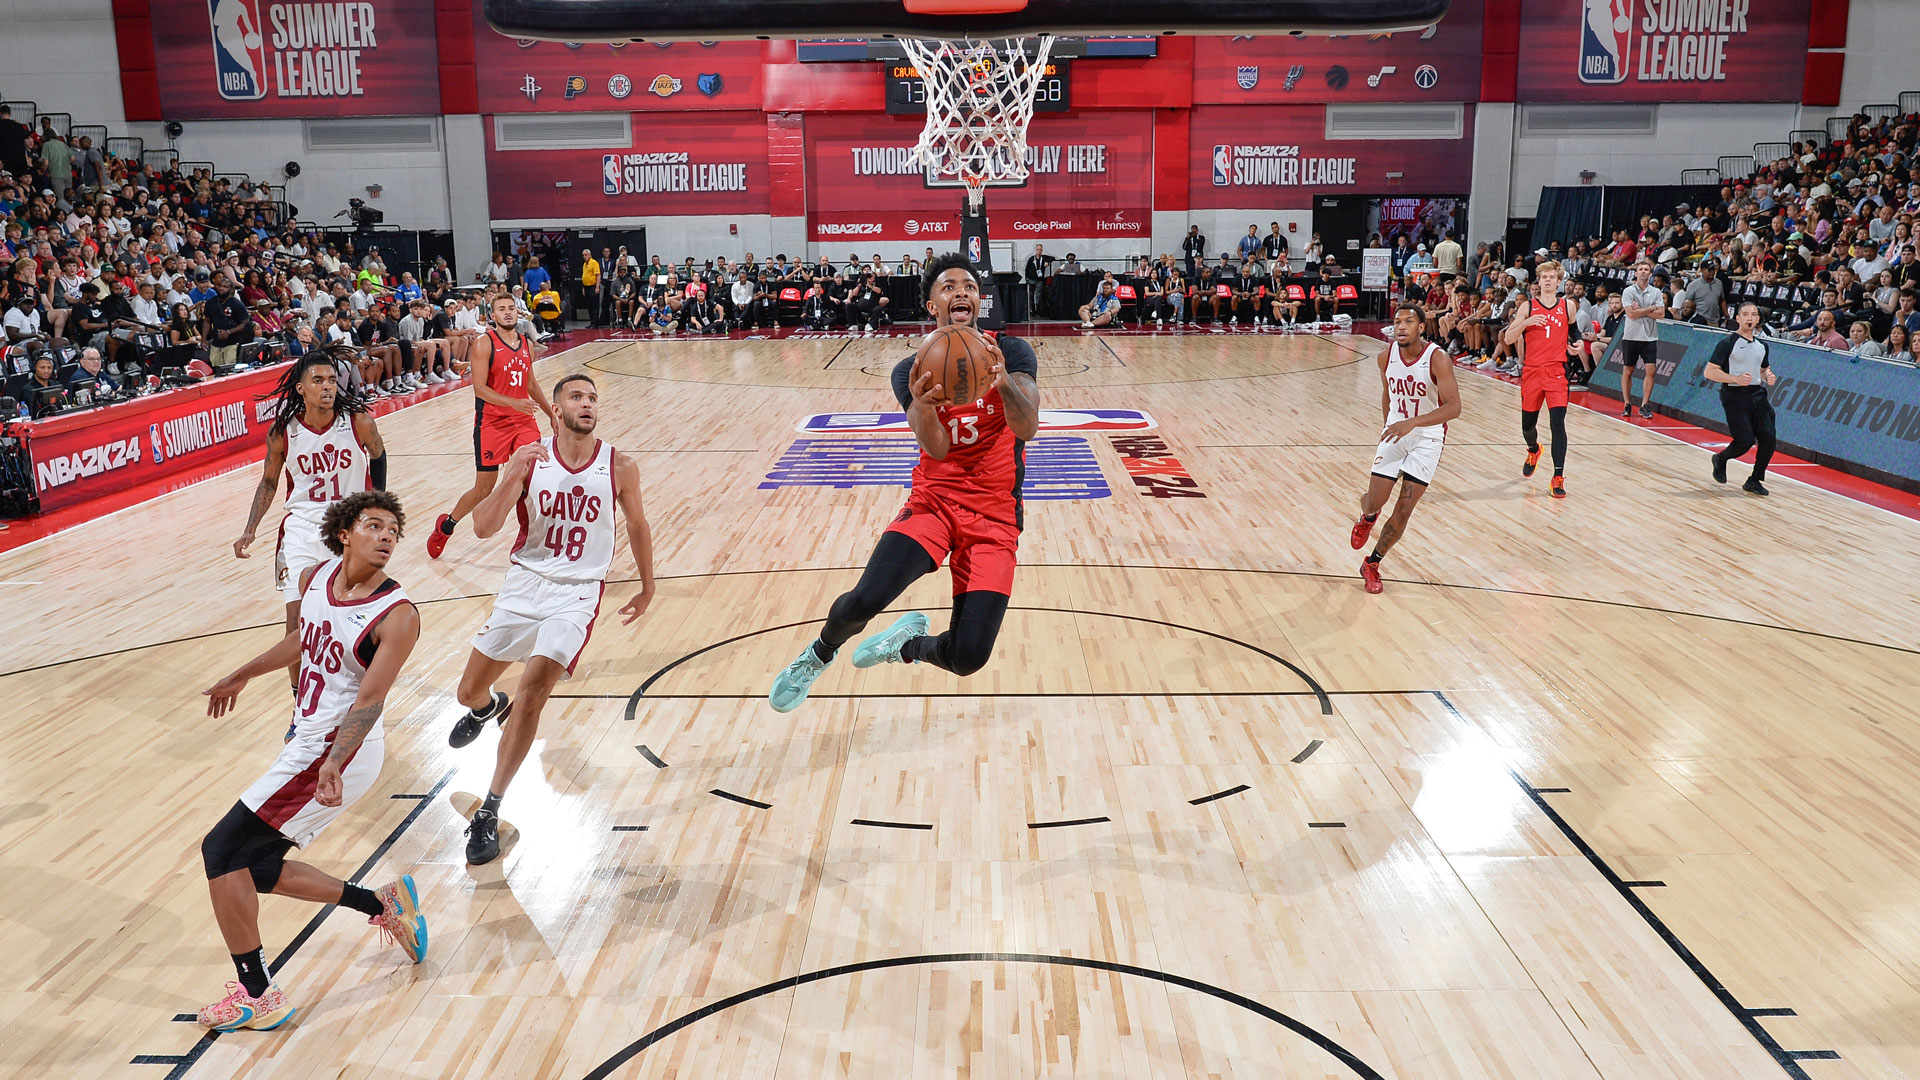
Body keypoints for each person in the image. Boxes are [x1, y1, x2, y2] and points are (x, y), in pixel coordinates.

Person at [193, 491, 426, 1032]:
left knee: (222, 850)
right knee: (255, 867)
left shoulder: (397, 616)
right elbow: (302, 639)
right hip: (308, 740)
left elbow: (369, 700)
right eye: (375, 525)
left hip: (338, 748)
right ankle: (380, 903)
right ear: (345, 533)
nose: (387, 536)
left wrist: (333, 763)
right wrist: (244, 672)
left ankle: (258, 995)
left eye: (394, 530)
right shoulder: (318, 577)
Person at [768, 254, 1040, 712]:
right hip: (935, 504)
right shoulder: (910, 370)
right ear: (932, 305)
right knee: (864, 600)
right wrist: (921, 403)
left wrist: (1002, 383)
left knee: (968, 657)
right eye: (949, 286)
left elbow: (1028, 425)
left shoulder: (1011, 352)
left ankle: (905, 645)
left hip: (995, 517)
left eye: (969, 286)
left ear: (980, 300)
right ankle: (817, 655)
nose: (961, 292)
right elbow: (935, 448)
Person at [447, 375, 656, 864]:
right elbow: (482, 527)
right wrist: (512, 475)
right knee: (466, 691)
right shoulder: (531, 457)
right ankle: (482, 708)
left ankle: (490, 809)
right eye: (576, 397)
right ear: (556, 410)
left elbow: (638, 525)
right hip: (523, 585)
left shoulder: (619, 465)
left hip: (578, 593)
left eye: (592, 398)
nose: (587, 404)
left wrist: (648, 587)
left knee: (534, 690)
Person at [233, 347, 388, 693]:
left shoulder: (358, 420)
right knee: (297, 625)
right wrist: (250, 529)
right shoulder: (283, 432)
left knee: (359, 618)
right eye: (318, 380)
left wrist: (377, 508)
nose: (328, 387)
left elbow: (378, 454)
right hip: (302, 531)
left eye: (332, 379)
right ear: (301, 388)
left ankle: (360, 694)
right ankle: (300, 706)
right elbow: (270, 481)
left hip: (351, 530)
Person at [427, 294, 555, 558]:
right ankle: (447, 525)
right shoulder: (484, 344)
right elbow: (480, 389)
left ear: (517, 313)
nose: (507, 313)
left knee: (528, 475)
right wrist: (513, 402)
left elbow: (530, 384)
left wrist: (550, 413)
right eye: (501, 309)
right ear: (492, 315)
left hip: (523, 422)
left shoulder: (527, 345)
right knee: (483, 489)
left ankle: (530, 540)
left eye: (511, 308)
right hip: (492, 423)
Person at [1350, 305, 1460, 594]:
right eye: (1397, 321)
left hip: (1427, 438)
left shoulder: (1438, 358)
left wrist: (1413, 423)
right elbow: (1388, 393)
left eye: (1409, 321)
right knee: (1374, 501)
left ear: (1421, 327)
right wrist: (1390, 422)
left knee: (1403, 508)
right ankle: (1368, 517)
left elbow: (1454, 407)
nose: (1401, 326)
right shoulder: (1385, 357)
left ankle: (1372, 563)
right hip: (1397, 432)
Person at [1502, 259, 1574, 498]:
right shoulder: (1528, 307)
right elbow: (1509, 339)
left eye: (1552, 277)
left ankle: (1558, 477)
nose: (1547, 280)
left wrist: (1575, 345)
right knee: (1527, 426)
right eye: (1544, 276)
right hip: (1532, 372)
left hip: (1556, 372)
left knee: (1557, 424)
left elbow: (1572, 331)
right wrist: (1525, 322)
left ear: (1558, 280)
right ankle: (1534, 450)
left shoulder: (1567, 306)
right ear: (1539, 280)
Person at [1705, 302, 1777, 496]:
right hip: (1734, 394)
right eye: (1745, 314)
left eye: (1754, 314)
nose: (1750, 318)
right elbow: (1709, 372)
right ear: (1737, 318)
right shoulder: (1728, 343)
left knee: (1769, 438)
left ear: (1758, 319)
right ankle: (1721, 459)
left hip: (1758, 395)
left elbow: (1762, 369)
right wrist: (1734, 378)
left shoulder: (1763, 346)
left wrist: (1768, 376)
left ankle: (1754, 480)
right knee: (1744, 441)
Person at [1618, 261, 1664, 418]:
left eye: (1647, 269)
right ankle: (1627, 403)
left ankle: (1644, 405)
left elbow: (1661, 314)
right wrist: (1650, 308)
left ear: (1650, 274)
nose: (1644, 272)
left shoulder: (1656, 292)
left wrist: (1641, 311)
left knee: (1651, 371)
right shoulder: (1628, 291)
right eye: (1641, 269)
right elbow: (1631, 314)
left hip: (1650, 337)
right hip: (1631, 336)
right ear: (1636, 273)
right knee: (1628, 370)